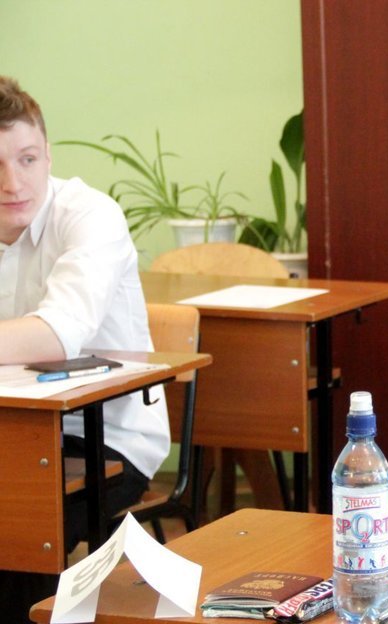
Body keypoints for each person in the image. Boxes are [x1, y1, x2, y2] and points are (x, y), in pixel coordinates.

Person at [0, 76, 169, 620]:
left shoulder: (90, 215)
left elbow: (55, 334)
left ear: (48, 154)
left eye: (27, 159)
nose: (12, 183)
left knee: (15, 519)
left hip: (104, 437)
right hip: (14, 429)